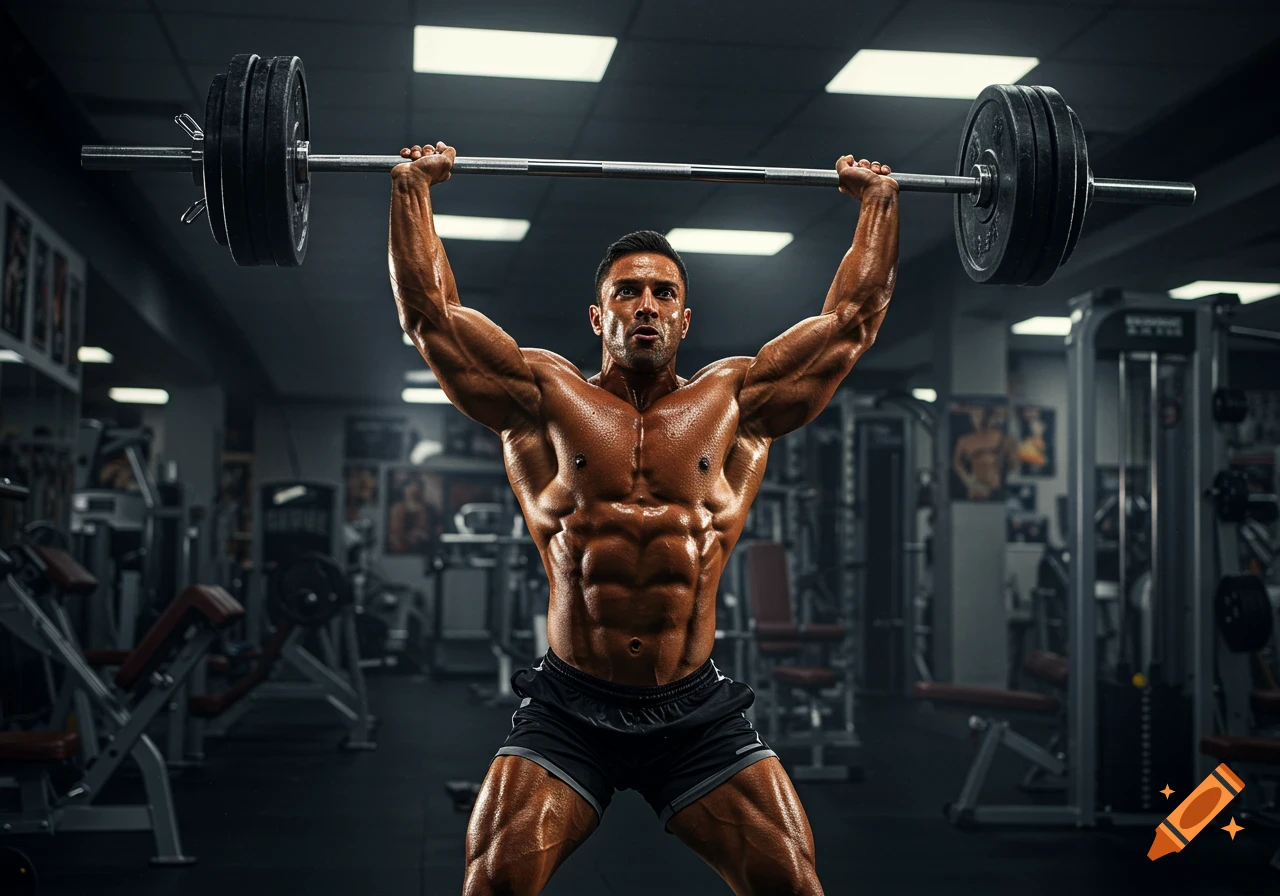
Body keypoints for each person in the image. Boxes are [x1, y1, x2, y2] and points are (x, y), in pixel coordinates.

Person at [390, 141, 898, 896]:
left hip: (692, 709)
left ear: (684, 319)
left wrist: (879, 203)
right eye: (628, 292)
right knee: (494, 880)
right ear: (599, 315)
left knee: (792, 882)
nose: (646, 306)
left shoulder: (735, 402)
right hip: (571, 707)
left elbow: (851, 322)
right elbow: (431, 321)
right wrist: (412, 191)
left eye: (663, 293)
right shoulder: (543, 397)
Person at [953, 405, 1019, 501]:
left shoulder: (1002, 437)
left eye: (982, 415)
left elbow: (1014, 464)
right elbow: (957, 462)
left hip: (996, 488)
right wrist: (968, 480)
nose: (979, 420)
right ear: (971, 417)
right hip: (976, 491)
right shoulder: (965, 440)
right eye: (975, 415)